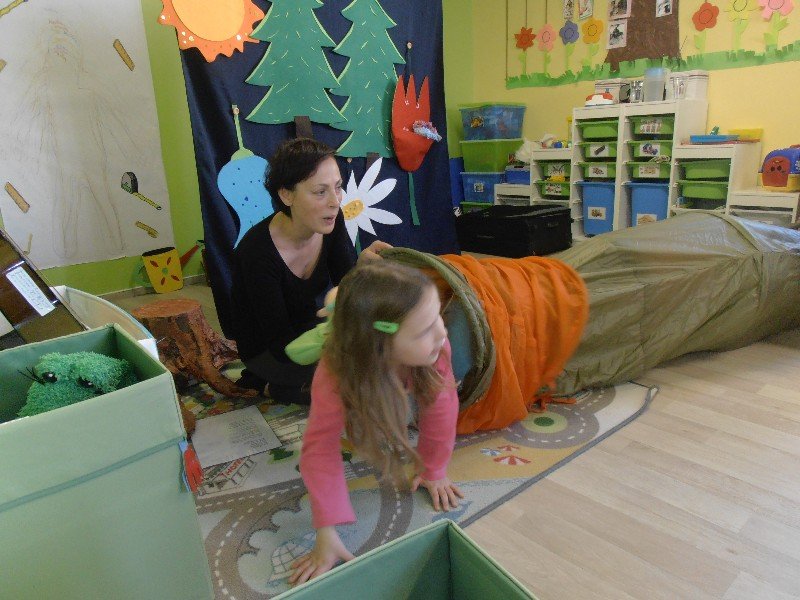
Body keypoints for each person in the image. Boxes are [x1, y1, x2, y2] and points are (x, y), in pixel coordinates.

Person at [289, 262, 463, 585]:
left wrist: (434, 469)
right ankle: (336, 305)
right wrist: (326, 530)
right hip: (361, 350)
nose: (443, 332)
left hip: (381, 341)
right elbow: (319, 448)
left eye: (438, 316)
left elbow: (442, 409)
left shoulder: (438, 347)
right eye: (425, 329)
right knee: (341, 311)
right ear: (380, 345)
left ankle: (338, 300)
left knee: (344, 302)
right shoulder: (334, 372)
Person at [230, 138, 390, 403]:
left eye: (337, 187)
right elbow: (282, 346)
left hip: (309, 330)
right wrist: (343, 343)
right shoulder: (257, 253)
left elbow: (347, 289)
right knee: (358, 380)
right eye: (320, 192)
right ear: (286, 195)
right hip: (271, 351)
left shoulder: (330, 221)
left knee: (386, 349)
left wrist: (362, 266)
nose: (335, 202)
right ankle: (270, 385)